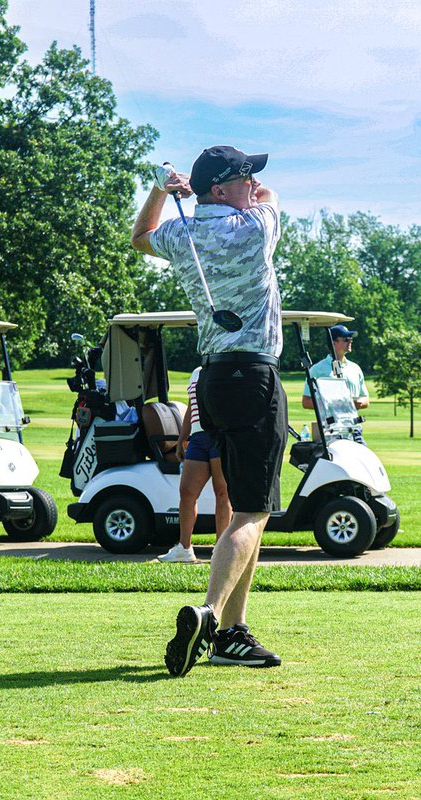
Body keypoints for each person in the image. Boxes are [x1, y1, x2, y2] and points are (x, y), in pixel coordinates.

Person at [133, 145, 285, 675]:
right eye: (244, 177)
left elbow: (141, 236)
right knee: (254, 512)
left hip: (214, 378)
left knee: (245, 507)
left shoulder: (183, 234)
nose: (254, 184)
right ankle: (211, 614)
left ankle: (233, 635)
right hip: (255, 378)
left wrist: (162, 188)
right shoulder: (255, 227)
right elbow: (271, 195)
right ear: (221, 189)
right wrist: (213, 194)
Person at [158, 366, 232, 564]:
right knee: (187, 492)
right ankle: (184, 549)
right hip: (198, 438)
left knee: (222, 492)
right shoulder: (196, 372)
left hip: (220, 435)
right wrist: (182, 438)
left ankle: (221, 550)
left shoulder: (225, 367)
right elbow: (192, 408)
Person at [302, 324, 369, 443]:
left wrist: (356, 403)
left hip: (354, 429)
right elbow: (306, 401)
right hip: (330, 430)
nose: (350, 341)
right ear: (334, 343)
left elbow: (366, 399)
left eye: (351, 339)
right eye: (346, 339)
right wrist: (333, 405)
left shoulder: (355, 369)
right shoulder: (317, 370)